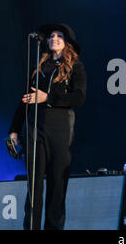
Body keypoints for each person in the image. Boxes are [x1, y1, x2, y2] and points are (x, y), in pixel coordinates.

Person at [8, 23, 86, 230]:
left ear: (67, 42)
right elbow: (24, 99)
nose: (54, 38)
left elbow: (79, 98)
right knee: (34, 187)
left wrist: (48, 98)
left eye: (60, 36)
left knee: (57, 185)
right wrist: (14, 129)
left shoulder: (75, 67)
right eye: (52, 35)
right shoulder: (39, 67)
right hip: (35, 130)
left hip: (60, 132)